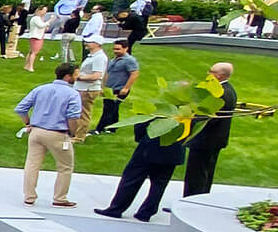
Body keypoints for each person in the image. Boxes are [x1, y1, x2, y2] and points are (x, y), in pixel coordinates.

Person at [15, 62, 86, 207]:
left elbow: (20, 108)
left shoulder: (40, 89)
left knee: (32, 164)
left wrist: (27, 123)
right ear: (68, 76)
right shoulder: (72, 94)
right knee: (65, 166)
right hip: (58, 134)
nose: (77, 77)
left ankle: (29, 196)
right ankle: (60, 198)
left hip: (36, 132)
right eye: (76, 74)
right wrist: (72, 133)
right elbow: (73, 117)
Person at [94, 123, 185, 223]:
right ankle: (146, 213)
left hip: (151, 144)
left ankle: (116, 208)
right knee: (159, 183)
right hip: (175, 147)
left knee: (132, 178)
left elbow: (142, 123)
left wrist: (142, 138)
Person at [183, 62, 238, 196]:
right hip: (214, 140)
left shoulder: (221, 93)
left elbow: (209, 118)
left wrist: (188, 116)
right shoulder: (228, 90)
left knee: (197, 174)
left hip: (206, 140)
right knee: (205, 172)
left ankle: (191, 202)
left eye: (211, 71)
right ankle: (198, 199)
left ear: (219, 75)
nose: (208, 74)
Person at [89, 38, 138, 135]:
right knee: (113, 109)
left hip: (120, 89)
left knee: (109, 108)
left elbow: (134, 74)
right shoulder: (113, 59)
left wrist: (126, 88)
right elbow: (107, 73)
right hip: (110, 88)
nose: (115, 51)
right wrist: (103, 87)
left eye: (118, 49)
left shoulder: (129, 60)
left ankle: (99, 128)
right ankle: (113, 128)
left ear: (126, 48)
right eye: (114, 49)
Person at [73, 38, 107, 137]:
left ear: (97, 44)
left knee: (84, 114)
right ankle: (75, 133)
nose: (86, 43)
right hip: (82, 88)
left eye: (89, 42)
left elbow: (97, 76)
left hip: (88, 89)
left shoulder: (99, 57)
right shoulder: (92, 56)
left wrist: (79, 77)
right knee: (78, 112)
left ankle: (79, 137)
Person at [22, 6, 52, 72]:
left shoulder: (39, 18)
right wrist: (50, 21)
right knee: (34, 52)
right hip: (36, 36)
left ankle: (27, 65)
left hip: (38, 36)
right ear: (39, 10)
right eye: (44, 10)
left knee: (31, 51)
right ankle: (30, 66)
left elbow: (44, 27)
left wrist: (46, 24)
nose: (45, 12)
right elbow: (41, 25)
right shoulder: (36, 18)